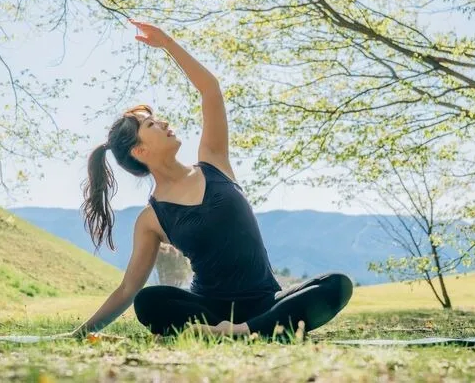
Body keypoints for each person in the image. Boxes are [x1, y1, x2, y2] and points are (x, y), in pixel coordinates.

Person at [70, 19, 353, 340]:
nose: (163, 123)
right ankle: (257, 331)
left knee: (335, 285)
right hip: (209, 307)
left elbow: (210, 90)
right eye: (151, 125)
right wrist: (80, 334)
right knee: (150, 301)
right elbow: (128, 290)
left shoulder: (214, 161)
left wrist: (169, 45)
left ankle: (238, 332)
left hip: (266, 301)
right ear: (140, 151)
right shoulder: (151, 220)